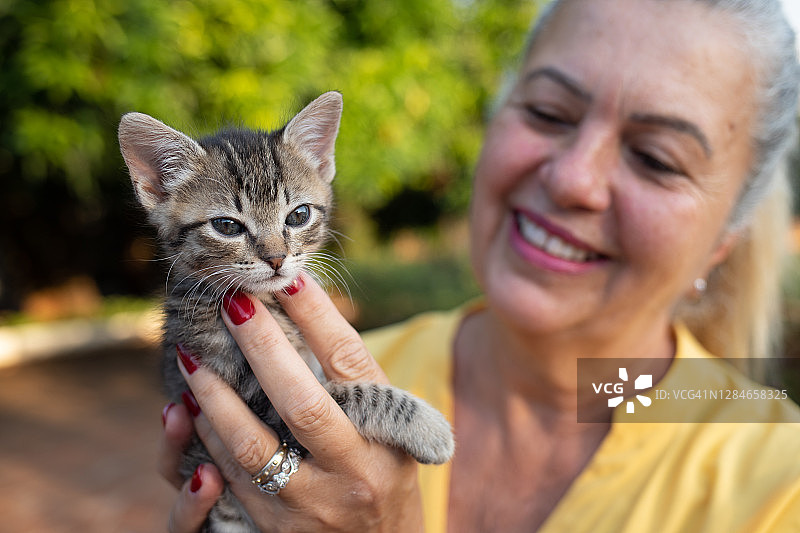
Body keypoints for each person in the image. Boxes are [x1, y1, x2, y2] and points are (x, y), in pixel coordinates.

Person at [159, 0, 800, 531]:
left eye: (657, 158)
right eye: (548, 113)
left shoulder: (780, 484)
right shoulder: (340, 370)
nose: (574, 179)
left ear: (728, 237)